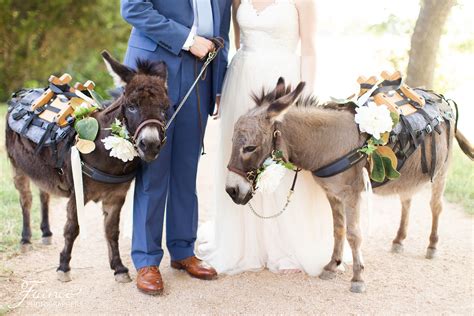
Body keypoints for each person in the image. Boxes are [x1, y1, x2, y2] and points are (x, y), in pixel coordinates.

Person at [197, 0, 337, 276]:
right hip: (242, 81)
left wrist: (302, 100)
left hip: (282, 83)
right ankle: (242, 243)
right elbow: (236, 43)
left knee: (281, 160)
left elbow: (309, 49)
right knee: (241, 156)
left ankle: (284, 246)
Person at [120, 0, 232, 295]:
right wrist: (188, 40)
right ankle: (146, 260)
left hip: (202, 77)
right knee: (153, 170)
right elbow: (133, 8)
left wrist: (219, 84)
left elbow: (223, 29)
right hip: (153, 74)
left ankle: (183, 250)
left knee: (186, 168)